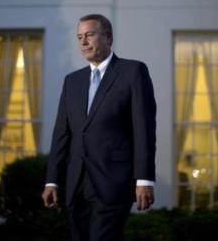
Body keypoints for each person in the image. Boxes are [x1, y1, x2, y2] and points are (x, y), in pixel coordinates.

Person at [41, 14, 156, 241]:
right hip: (76, 185)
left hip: (113, 183)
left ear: (108, 37)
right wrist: (52, 180)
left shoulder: (133, 72)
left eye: (90, 35)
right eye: (79, 37)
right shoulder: (72, 81)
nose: (83, 42)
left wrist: (144, 179)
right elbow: (61, 135)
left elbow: (144, 129)